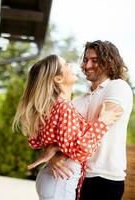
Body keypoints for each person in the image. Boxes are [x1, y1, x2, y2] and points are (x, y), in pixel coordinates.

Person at [12, 54, 123, 200]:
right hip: (59, 181)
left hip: (54, 177)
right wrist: (102, 123)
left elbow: (40, 140)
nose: (71, 65)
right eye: (65, 64)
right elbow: (79, 150)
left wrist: (54, 148)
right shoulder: (63, 107)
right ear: (58, 79)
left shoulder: (55, 106)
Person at [46, 41, 133, 200]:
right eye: (85, 60)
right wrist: (52, 156)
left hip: (104, 177)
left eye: (95, 60)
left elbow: (105, 122)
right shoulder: (77, 100)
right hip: (75, 175)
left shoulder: (118, 87)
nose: (87, 65)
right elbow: (61, 137)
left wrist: (64, 144)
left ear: (109, 62)